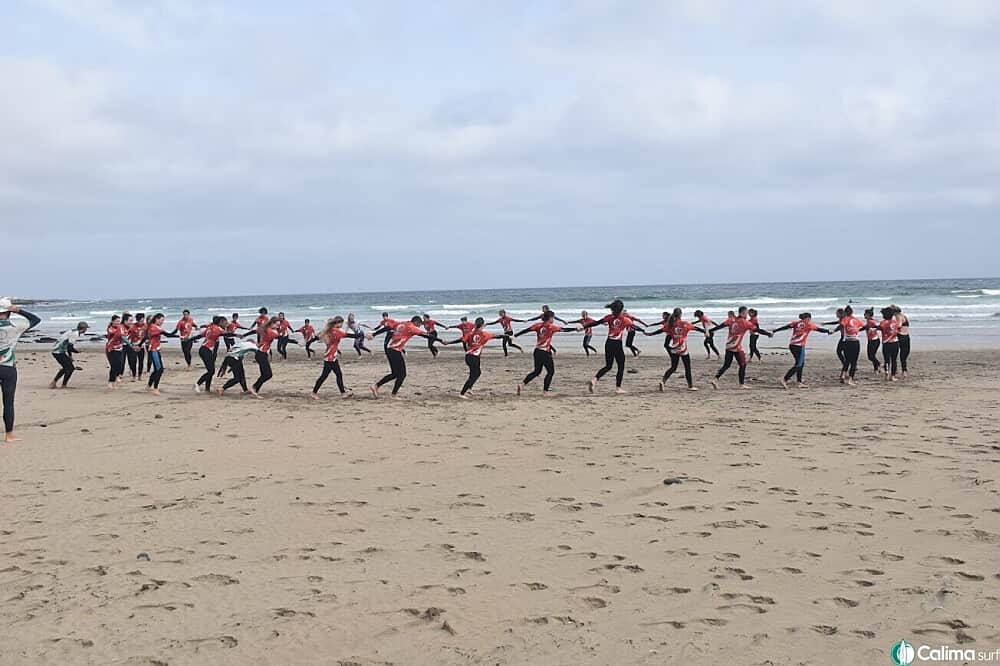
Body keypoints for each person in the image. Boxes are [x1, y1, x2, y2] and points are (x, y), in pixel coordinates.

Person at [0, 299, 42, 442]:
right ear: (8, 313)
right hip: (8, 368)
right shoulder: (15, 327)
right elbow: (36, 319)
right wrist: (17, 310)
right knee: (8, 403)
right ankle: (9, 435)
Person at [513, 311, 577, 396]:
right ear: (550, 318)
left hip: (537, 351)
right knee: (551, 371)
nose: (553, 319)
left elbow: (526, 330)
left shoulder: (538, 325)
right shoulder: (551, 327)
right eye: (553, 318)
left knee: (537, 371)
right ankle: (545, 391)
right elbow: (564, 330)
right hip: (544, 352)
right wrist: (575, 329)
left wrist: (515, 336)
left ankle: (522, 384)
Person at [370, 316, 433, 399]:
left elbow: (387, 327)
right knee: (402, 374)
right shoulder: (411, 327)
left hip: (390, 349)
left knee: (395, 374)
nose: (419, 327)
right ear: (416, 322)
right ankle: (393, 395)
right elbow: (425, 335)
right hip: (395, 351)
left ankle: (376, 386)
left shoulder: (401, 323)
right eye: (419, 325)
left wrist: (374, 334)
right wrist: (441, 340)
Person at [644, 308, 705, 391]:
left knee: (673, 367)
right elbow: (696, 328)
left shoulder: (670, 324)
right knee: (687, 367)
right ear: (680, 314)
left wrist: (650, 334)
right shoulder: (685, 323)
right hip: (683, 349)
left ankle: (663, 381)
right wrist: (706, 332)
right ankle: (690, 386)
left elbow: (660, 330)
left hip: (674, 348)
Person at [587, 300, 638, 395]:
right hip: (617, 344)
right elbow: (634, 326)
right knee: (621, 366)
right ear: (621, 309)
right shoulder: (625, 319)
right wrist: (645, 331)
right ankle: (618, 388)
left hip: (608, 343)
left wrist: (584, 326)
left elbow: (596, 323)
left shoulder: (609, 317)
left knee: (608, 366)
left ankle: (594, 379)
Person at [770, 312, 833, 389]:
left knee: (800, 364)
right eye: (810, 319)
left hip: (792, 345)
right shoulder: (808, 324)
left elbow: (785, 327)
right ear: (808, 318)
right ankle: (784, 379)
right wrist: (828, 331)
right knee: (799, 364)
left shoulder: (796, 323)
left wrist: (774, 331)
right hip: (799, 346)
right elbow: (819, 329)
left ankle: (799, 382)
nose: (810, 320)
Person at [442, 317, 499, 398]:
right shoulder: (485, 334)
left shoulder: (470, 334)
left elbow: (461, 340)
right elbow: (497, 336)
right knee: (475, 374)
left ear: (475, 324)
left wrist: (448, 343)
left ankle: (469, 389)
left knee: (475, 373)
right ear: (483, 325)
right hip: (474, 357)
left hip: (468, 356)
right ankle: (462, 393)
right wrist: (508, 336)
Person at [708, 307, 762, 390]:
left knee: (726, 365)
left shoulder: (731, 320)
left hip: (729, 345)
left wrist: (710, 330)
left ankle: (715, 379)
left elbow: (720, 326)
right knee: (743, 364)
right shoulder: (745, 322)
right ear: (742, 313)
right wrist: (768, 334)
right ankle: (741, 384)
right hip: (737, 347)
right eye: (746, 313)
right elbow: (757, 330)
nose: (747, 315)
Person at [311, 316, 363, 400]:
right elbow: (352, 336)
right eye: (342, 323)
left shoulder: (329, 330)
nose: (342, 325)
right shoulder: (337, 331)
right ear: (338, 323)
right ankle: (314, 392)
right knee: (324, 376)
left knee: (338, 374)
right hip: (330, 357)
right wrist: (363, 334)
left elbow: (317, 337)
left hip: (332, 356)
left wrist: (307, 343)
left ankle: (343, 393)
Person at [193, 316, 229, 393]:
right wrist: (238, 335)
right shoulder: (218, 328)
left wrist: (190, 339)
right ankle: (197, 383)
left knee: (210, 370)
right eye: (225, 323)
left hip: (203, 349)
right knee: (211, 371)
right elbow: (228, 334)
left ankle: (207, 388)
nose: (226, 324)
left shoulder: (210, 328)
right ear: (221, 322)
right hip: (206, 350)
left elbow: (199, 336)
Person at [145, 313, 177, 396]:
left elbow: (167, 334)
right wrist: (179, 336)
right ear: (157, 319)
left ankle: (149, 386)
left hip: (156, 350)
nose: (162, 322)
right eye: (162, 320)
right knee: (159, 369)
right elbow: (167, 334)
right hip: (153, 350)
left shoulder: (154, 327)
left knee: (157, 369)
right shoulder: (154, 327)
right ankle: (155, 388)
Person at [50, 321, 89, 389]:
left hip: (58, 351)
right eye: (86, 328)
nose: (86, 330)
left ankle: (53, 383)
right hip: (58, 352)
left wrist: (70, 356)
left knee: (66, 367)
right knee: (70, 368)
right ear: (83, 328)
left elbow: (68, 346)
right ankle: (63, 385)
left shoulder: (73, 331)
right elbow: (70, 347)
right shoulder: (75, 334)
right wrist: (77, 351)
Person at [836, 306, 867, 386]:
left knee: (847, 360)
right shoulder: (856, 320)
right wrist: (857, 330)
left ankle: (843, 375)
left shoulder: (845, 319)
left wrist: (833, 331)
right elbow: (865, 326)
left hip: (847, 342)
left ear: (845, 313)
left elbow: (841, 326)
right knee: (854, 362)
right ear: (852, 312)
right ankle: (850, 379)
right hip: (855, 342)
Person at [250, 316, 281, 397]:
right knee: (268, 374)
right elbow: (281, 338)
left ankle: (255, 390)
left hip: (261, 354)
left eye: (279, 325)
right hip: (261, 354)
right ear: (272, 323)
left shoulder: (270, 330)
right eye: (277, 325)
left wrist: (244, 335)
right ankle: (254, 387)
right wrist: (296, 342)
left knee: (265, 374)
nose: (278, 326)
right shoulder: (270, 331)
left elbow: (255, 331)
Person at [105, 314, 130, 389]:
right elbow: (119, 335)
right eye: (116, 321)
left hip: (120, 348)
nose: (118, 323)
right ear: (112, 321)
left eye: (119, 321)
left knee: (120, 364)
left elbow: (126, 333)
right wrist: (130, 344)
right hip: (111, 349)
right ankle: (110, 382)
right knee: (114, 366)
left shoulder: (121, 328)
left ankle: (116, 378)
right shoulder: (110, 328)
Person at [879, 307, 902, 381]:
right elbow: (899, 328)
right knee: (894, 360)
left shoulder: (883, 322)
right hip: (895, 343)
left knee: (886, 360)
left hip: (886, 343)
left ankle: (886, 374)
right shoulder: (895, 322)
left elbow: (880, 328)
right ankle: (892, 376)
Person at [893, 305, 911, 378]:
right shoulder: (904, 316)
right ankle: (904, 370)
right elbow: (907, 325)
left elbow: (899, 325)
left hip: (900, 336)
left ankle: (898, 370)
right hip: (906, 336)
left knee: (896, 354)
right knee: (904, 355)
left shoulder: (897, 316)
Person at [864, 307, 882, 373]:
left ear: (868, 315)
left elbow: (879, 327)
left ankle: (880, 364)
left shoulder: (871, 321)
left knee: (871, 356)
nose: (864, 315)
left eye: (865, 314)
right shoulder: (868, 321)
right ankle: (876, 369)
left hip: (874, 341)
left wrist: (874, 329)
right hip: (871, 340)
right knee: (872, 356)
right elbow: (865, 327)